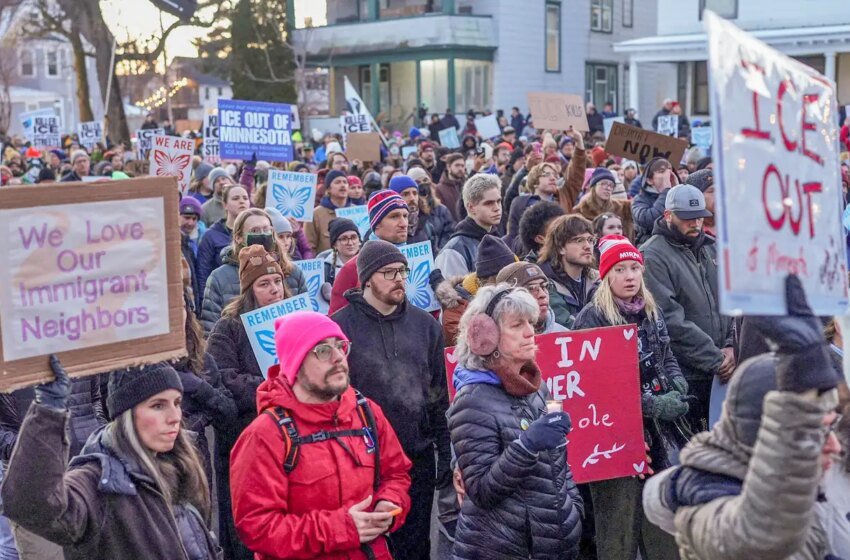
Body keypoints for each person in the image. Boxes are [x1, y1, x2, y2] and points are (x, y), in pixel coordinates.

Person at [643, 275, 843, 560]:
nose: (836, 446)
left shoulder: (821, 472)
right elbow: (762, 535)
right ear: (768, 432)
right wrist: (802, 391)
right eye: (816, 432)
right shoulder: (706, 507)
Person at [229, 311, 413, 560]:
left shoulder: (366, 411)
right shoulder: (265, 435)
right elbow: (257, 528)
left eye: (341, 346)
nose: (338, 358)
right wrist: (342, 528)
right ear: (296, 363)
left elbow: (397, 474)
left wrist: (389, 506)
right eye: (323, 350)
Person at [1, 357, 219, 559]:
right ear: (126, 414)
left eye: (177, 402)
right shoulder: (99, 481)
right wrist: (48, 412)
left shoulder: (182, 467)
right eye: (158, 405)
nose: (175, 417)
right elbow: (32, 507)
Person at [332, 241, 451, 559]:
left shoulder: (425, 325)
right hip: (362, 463)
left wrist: (446, 450)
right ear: (368, 278)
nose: (399, 278)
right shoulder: (340, 328)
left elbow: (439, 394)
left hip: (417, 458)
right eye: (389, 272)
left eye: (402, 271)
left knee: (416, 548)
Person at [448, 285, 583, 559]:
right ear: (486, 336)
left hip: (550, 543)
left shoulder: (536, 387)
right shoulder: (471, 400)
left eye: (531, 323)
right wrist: (527, 445)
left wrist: (572, 508)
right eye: (517, 324)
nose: (530, 332)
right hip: (501, 548)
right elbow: (482, 491)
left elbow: (559, 466)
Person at [573, 235, 686, 560]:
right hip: (613, 441)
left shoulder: (650, 310)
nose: (630, 276)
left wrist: (676, 382)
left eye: (634, 268)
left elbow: (666, 354)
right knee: (618, 533)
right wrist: (650, 404)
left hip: (659, 435)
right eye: (620, 269)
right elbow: (598, 388)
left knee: (663, 525)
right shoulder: (591, 319)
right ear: (606, 275)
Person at [206, 245, 288, 560]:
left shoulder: (296, 317)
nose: (274, 290)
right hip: (243, 437)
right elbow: (224, 378)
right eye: (264, 284)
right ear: (249, 289)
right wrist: (274, 387)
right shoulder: (228, 328)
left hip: (289, 439)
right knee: (245, 528)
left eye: (277, 282)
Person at [641, 184, 733, 431]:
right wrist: (716, 359)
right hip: (688, 373)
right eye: (687, 218)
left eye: (700, 217)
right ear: (668, 215)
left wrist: (732, 346)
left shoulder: (712, 248)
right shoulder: (652, 255)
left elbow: (733, 301)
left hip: (724, 368)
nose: (695, 223)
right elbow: (669, 318)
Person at [0, 371, 106, 560]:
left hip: (86, 470)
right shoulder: (9, 357)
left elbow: (94, 399)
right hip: (32, 480)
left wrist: (97, 432)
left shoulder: (80, 348)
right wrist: (28, 447)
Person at [200, 208, 306, 334]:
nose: (262, 234)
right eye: (255, 231)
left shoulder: (293, 272)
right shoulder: (219, 278)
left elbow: (306, 319)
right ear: (238, 237)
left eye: (267, 230)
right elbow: (210, 329)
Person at [328, 190, 410, 315]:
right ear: (376, 224)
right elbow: (337, 323)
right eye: (394, 216)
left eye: (405, 216)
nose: (403, 223)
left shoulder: (419, 258)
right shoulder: (352, 268)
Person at [436, 236, 518, 346]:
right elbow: (471, 347)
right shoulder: (456, 308)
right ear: (485, 281)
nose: (512, 285)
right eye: (506, 279)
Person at [536, 214, 599, 328]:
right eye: (579, 240)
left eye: (590, 240)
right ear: (560, 248)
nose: (587, 246)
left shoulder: (597, 279)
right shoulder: (546, 285)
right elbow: (569, 327)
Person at [435, 174, 502, 278]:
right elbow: (454, 293)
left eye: (498, 201)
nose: (497, 208)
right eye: (489, 203)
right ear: (471, 207)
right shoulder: (453, 251)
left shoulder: (497, 240)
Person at [196, 184, 250, 301]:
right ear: (225, 205)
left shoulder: (257, 232)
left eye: (245, 198)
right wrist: (204, 304)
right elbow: (202, 273)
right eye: (235, 198)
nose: (242, 201)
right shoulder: (210, 235)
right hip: (222, 302)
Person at [496, 261, 566, 334]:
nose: (542, 294)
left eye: (544, 286)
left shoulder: (565, 337)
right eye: (531, 289)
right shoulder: (493, 341)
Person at [505, 161, 558, 248]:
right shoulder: (521, 203)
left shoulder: (559, 203)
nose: (553, 178)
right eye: (547, 174)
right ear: (535, 181)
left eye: (555, 175)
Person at [631, 158, 679, 246]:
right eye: (661, 171)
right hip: (651, 247)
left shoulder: (679, 194)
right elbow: (648, 220)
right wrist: (666, 191)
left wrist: (678, 190)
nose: (668, 174)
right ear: (649, 180)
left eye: (670, 170)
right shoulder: (640, 199)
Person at [408, 167, 455, 251]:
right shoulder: (409, 213)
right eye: (418, 182)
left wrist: (440, 251)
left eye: (425, 180)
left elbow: (449, 233)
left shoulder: (441, 210)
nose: (423, 184)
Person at [318, 218, 361, 303]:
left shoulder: (368, 262)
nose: (350, 243)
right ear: (334, 244)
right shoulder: (325, 268)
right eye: (344, 239)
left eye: (354, 237)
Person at [307, 170, 351, 254]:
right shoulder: (316, 214)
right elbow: (310, 248)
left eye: (345, 182)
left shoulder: (357, 211)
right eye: (337, 182)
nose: (342, 185)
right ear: (328, 189)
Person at [435, 153, 466, 222]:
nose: (460, 168)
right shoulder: (440, 189)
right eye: (457, 165)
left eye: (462, 166)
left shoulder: (467, 185)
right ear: (448, 167)